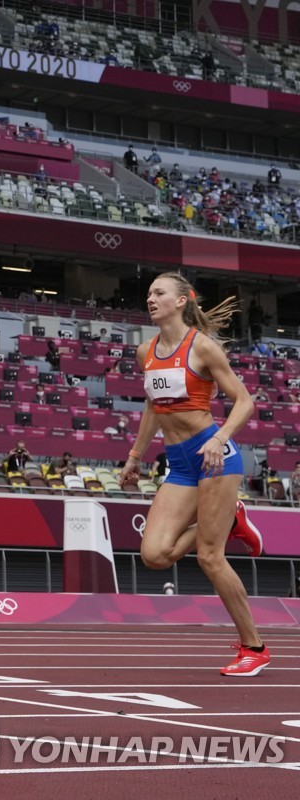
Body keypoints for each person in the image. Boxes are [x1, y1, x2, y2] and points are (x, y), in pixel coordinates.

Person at [117, 272, 267, 676]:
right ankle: (231, 517)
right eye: (148, 293)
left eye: (159, 293)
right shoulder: (145, 351)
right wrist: (135, 456)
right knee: (154, 555)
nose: (150, 299)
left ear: (182, 301)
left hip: (215, 457)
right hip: (179, 463)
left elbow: (244, 402)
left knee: (210, 556)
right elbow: (152, 405)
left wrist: (220, 438)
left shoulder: (202, 347)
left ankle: (254, 648)